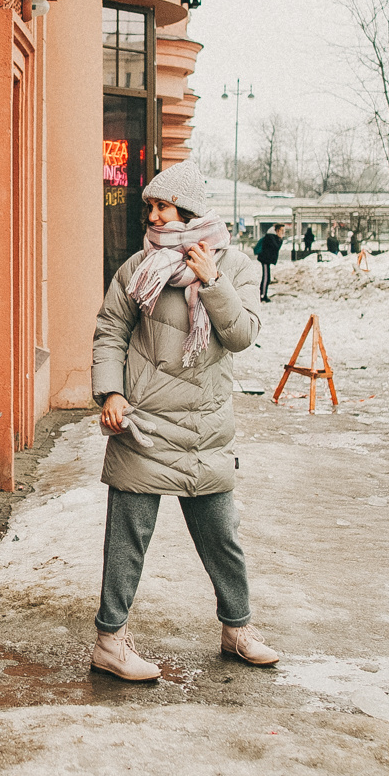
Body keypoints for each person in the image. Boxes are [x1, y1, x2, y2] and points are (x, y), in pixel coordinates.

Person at [88, 160, 278, 681]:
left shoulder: (235, 265)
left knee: (222, 537)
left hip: (204, 427)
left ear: (190, 212)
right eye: (149, 206)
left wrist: (212, 281)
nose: (152, 215)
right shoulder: (136, 268)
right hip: (144, 422)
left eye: (162, 206)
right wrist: (110, 391)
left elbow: (240, 335)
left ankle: (237, 629)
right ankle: (110, 640)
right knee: (126, 541)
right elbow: (110, 331)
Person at [253, 221, 286, 299]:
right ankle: (262, 295)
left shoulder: (272, 237)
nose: (283, 233)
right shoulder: (271, 237)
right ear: (277, 230)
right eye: (282, 231)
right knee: (266, 278)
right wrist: (280, 239)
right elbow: (276, 247)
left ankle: (263, 294)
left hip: (266, 260)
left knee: (267, 277)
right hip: (265, 260)